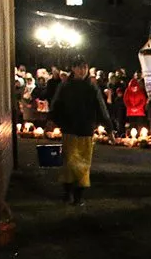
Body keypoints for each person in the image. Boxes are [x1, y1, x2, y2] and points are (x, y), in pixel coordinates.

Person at [49, 56, 114, 206]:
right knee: (70, 163)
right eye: (79, 67)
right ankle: (67, 193)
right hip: (69, 129)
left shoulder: (92, 87)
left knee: (83, 164)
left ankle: (78, 196)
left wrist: (109, 128)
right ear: (73, 68)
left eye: (84, 67)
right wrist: (53, 120)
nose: (82, 70)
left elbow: (101, 108)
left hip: (85, 130)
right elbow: (56, 104)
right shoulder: (65, 86)